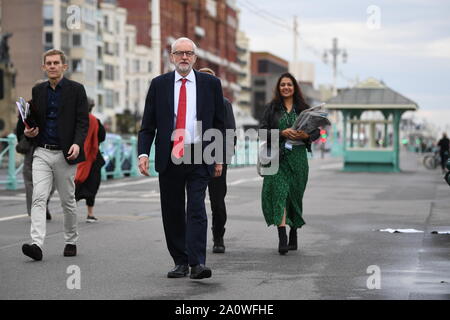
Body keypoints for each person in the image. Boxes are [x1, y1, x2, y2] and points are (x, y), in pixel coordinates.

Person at [138, 37, 225, 279]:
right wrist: (143, 153)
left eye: (188, 53)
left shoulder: (211, 84)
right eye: (179, 53)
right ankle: (180, 261)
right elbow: (148, 125)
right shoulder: (159, 84)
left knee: (196, 207)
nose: (184, 57)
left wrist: (219, 157)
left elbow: (219, 123)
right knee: (173, 210)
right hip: (170, 154)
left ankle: (197, 263)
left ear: (195, 58)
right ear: (172, 57)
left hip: (200, 152)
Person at [21, 49, 89, 261]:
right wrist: (28, 130)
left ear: (64, 66)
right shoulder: (38, 90)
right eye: (48, 63)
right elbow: (34, 120)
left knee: (67, 200)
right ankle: (36, 244)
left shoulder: (77, 90)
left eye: (55, 63)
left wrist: (77, 144)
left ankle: (70, 240)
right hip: (41, 151)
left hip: (65, 154)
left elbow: (82, 121)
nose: (52, 66)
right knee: (39, 197)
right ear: (43, 67)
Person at [260, 72, 320, 255]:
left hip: (299, 158)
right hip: (277, 158)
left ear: (295, 88)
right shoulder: (271, 108)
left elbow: (316, 132)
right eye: (283, 84)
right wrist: (281, 133)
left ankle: (294, 232)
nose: (286, 87)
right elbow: (262, 133)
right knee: (279, 194)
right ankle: (282, 238)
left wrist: (306, 136)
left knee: (294, 196)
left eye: (289, 84)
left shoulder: (304, 108)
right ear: (278, 88)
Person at [198, 67, 236, 254]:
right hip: (193, 158)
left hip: (216, 159)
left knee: (217, 201)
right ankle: (195, 239)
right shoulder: (190, 102)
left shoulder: (223, 103)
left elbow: (229, 133)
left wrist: (221, 160)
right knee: (194, 200)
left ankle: (218, 235)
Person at [15, 97, 54, 220]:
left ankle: (36, 210)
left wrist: (23, 139)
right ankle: (42, 203)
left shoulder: (27, 108)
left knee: (30, 181)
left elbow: (19, 129)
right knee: (53, 179)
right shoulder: (53, 107)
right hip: (51, 148)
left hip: (32, 148)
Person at [75, 98, 106, 223]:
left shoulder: (75, 121)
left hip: (77, 155)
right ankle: (90, 213)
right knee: (92, 186)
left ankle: (71, 212)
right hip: (93, 158)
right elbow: (102, 137)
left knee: (75, 186)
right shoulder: (95, 121)